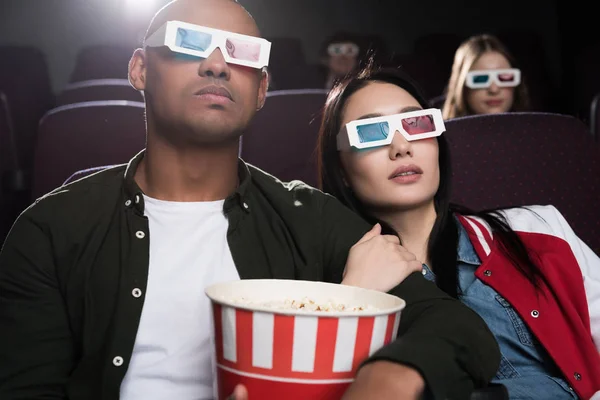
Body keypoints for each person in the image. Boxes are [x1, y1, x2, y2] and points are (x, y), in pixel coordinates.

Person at [0, 1, 501, 399]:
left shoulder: (311, 218)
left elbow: (456, 327)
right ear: (139, 70)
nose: (217, 64)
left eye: (241, 53)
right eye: (189, 42)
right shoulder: (51, 229)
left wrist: (384, 380)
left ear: (261, 89)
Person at [317, 64, 600, 399]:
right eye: (371, 132)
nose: (402, 146)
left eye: (417, 124)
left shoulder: (537, 229)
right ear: (343, 170)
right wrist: (354, 296)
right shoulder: (326, 283)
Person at [442, 33, 530, 119]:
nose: (494, 89)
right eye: (480, 79)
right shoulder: (440, 133)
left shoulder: (535, 130)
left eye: (504, 77)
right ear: (462, 85)